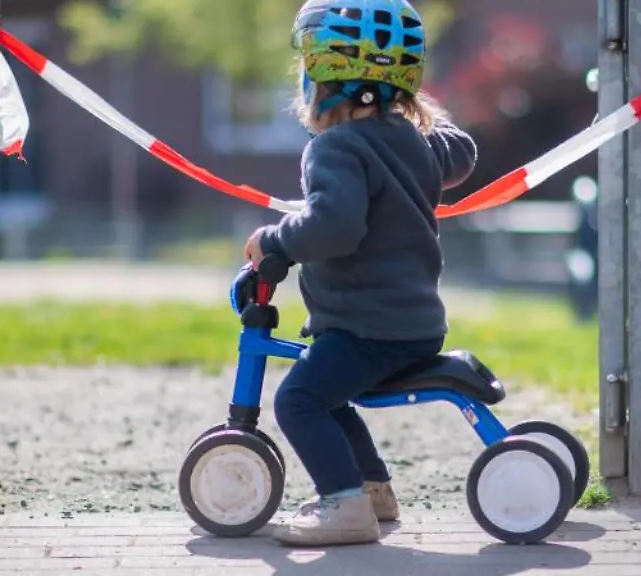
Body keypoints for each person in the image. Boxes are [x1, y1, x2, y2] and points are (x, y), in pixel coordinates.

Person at [242, 0, 477, 547]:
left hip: (369, 330)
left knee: (298, 400)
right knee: (326, 392)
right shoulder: (414, 142)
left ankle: (345, 507)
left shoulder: (335, 148)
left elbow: (335, 226)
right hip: (413, 325)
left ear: (321, 79)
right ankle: (371, 489)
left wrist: (275, 239)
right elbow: (461, 155)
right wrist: (418, 117)